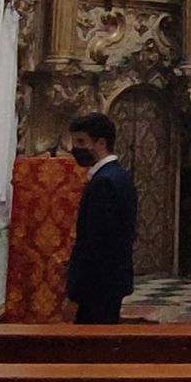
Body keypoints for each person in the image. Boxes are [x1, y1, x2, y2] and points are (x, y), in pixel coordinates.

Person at [63, 112, 137, 324]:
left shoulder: (104, 182)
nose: (75, 148)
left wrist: (75, 294)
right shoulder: (119, 176)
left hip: (97, 285)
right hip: (110, 281)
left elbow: (95, 244)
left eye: (81, 142)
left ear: (101, 143)